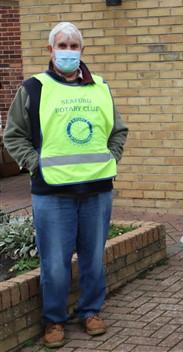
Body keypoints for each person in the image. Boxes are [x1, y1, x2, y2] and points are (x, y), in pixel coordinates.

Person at [4, 22, 128, 347]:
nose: (69, 51)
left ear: (82, 51)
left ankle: (90, 312)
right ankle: (54, 321)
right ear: (50, 50)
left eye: (75, 46)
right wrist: (36, 165)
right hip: (52, 192)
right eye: (63, 45)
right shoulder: (32, 88)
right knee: (55, 264)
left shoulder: (100, 87)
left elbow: (118, 130)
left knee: (93, 259)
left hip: (97, 190)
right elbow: (13, 135)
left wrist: (111, 159)